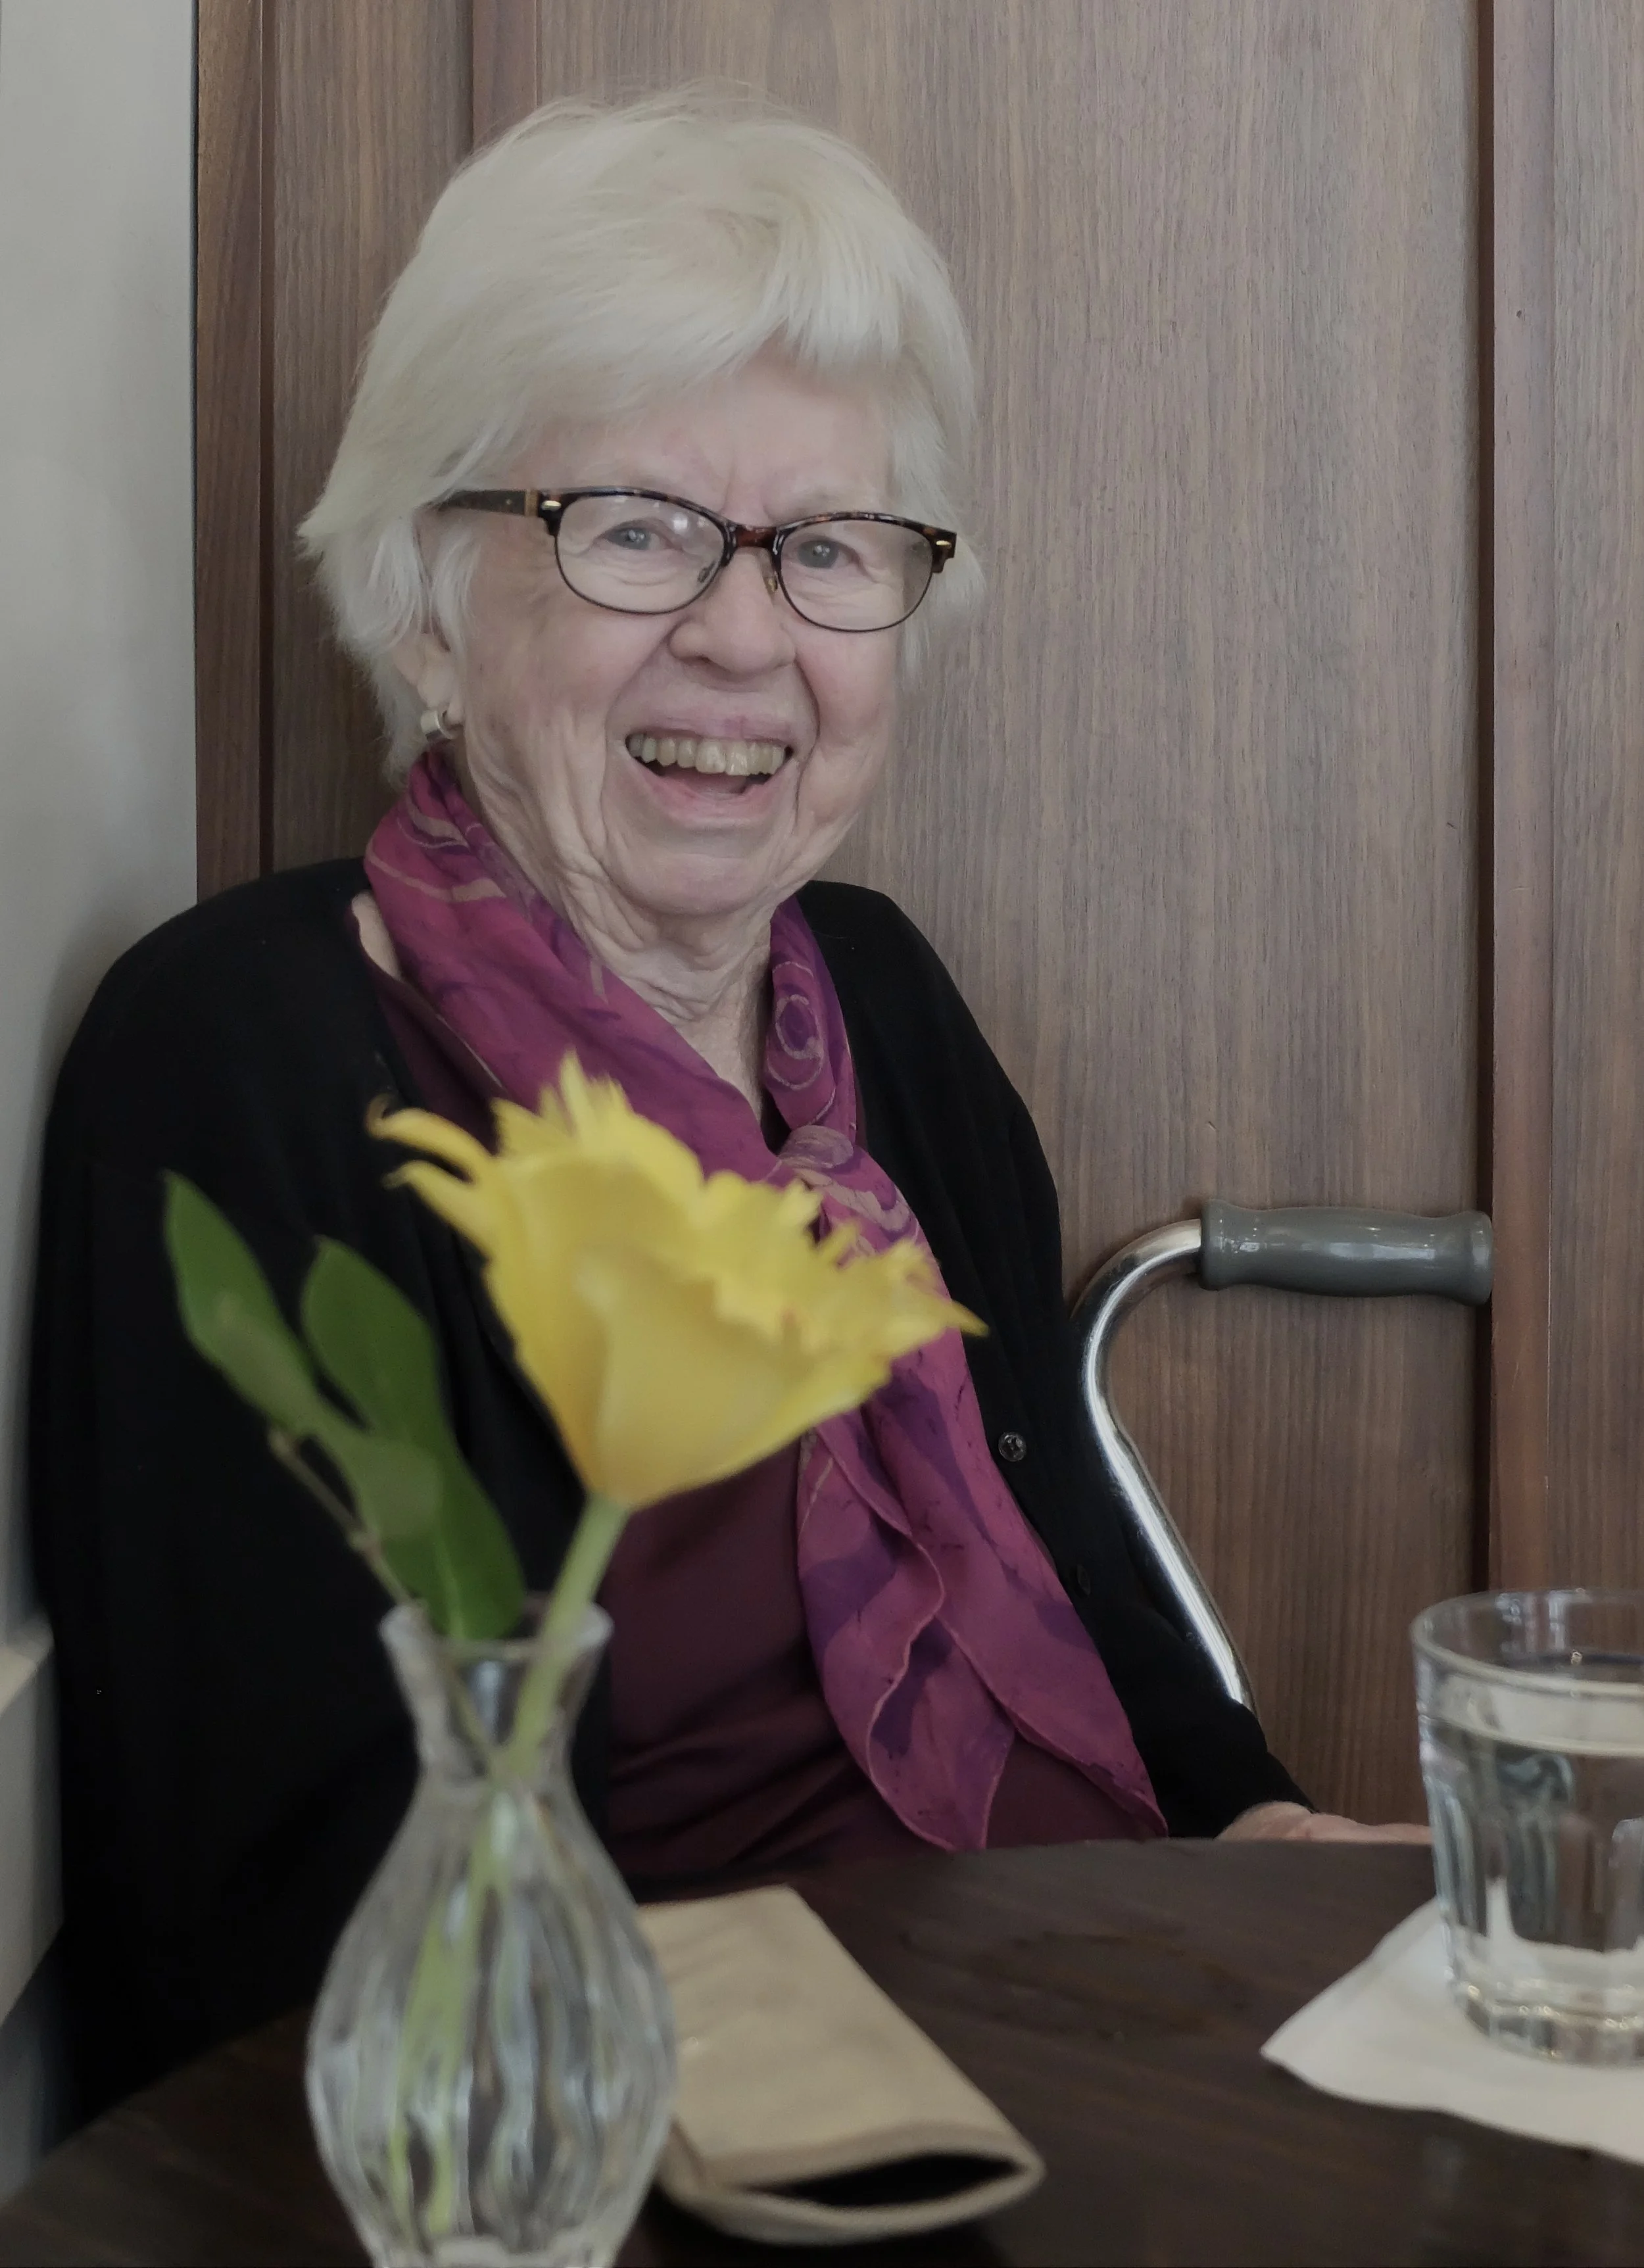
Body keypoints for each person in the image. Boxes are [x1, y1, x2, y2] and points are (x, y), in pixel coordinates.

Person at [30, 93, 1421, 2124]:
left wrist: (1252, 1836)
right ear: (426, 603)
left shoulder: (883, 1006)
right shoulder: (246, 1058)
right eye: (636, 529)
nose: (746, 634)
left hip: (1094, 2016)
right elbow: (283, 1936)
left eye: (826, 548)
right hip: (666, 2140)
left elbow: (1055, 1563)